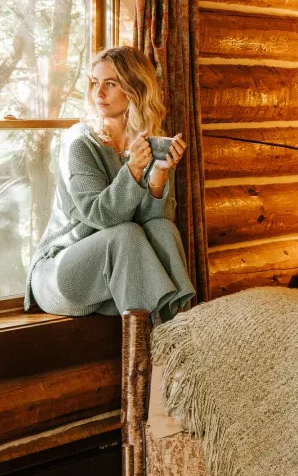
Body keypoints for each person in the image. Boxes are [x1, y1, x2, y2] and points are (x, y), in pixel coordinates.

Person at [24, 46, 195, 323]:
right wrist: (133, 169)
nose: (99, 93)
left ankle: (178, 331)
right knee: (125, 234)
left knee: (163, 230)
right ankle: (161, 339)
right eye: (95, 83)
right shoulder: (80, 142)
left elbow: (153, 223)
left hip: (116, 276)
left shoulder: (148, 142)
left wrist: (159, 176)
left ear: (135, 89)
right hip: (60, 272)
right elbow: (100, 216)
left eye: (110, 84)